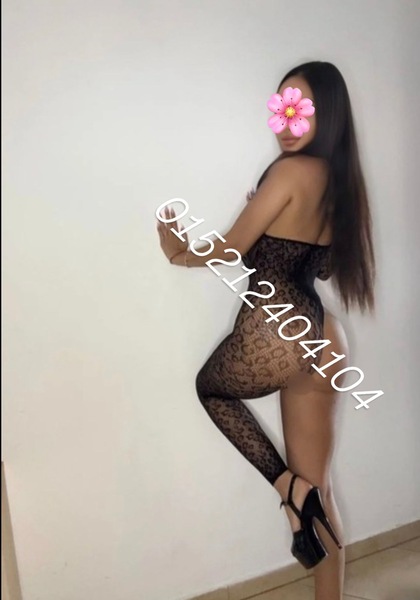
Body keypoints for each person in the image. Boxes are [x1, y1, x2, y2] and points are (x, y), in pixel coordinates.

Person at [156, 60, 375, 600]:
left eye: (299, 109)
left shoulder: (290, 173)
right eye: (281, 107)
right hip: (322, 337)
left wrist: (179, 253)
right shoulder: (339, 183)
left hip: (276, 330)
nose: (286, 121)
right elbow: (319, 267)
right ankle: (311, 531)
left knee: (212, 390)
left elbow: (231, 248)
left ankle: (288, 490)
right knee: (322, 489)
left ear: (327, 113)